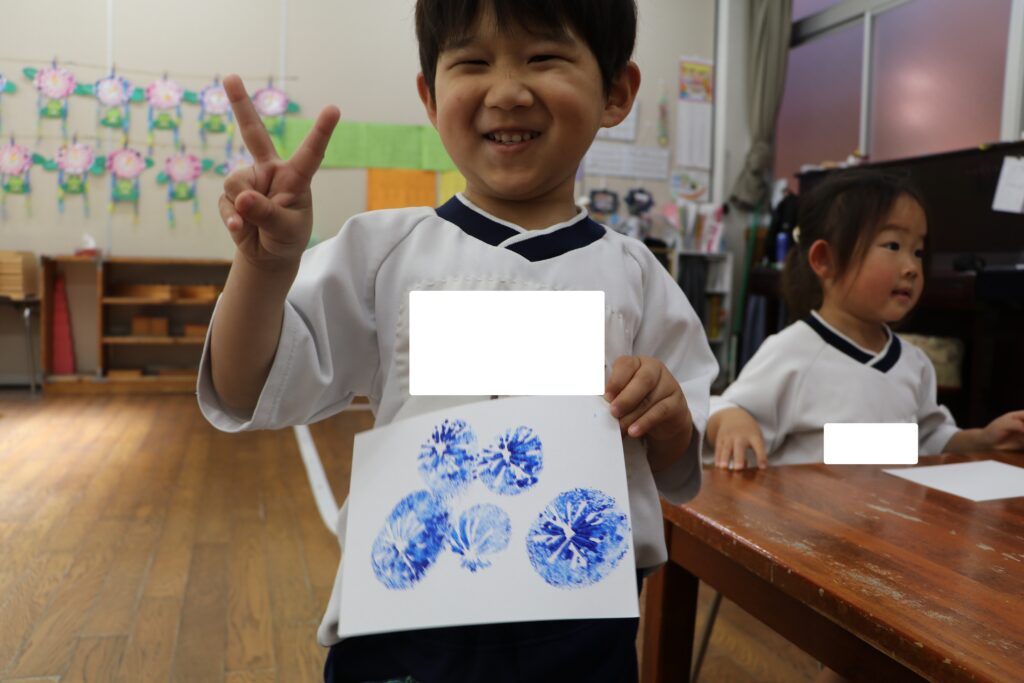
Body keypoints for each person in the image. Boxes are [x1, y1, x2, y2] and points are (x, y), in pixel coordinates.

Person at [198, 1, 719, 681]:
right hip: (402, 620)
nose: (507, 91)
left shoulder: (638, 276)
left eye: (544, 57)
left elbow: (679, 460)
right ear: (430, 95)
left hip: (580, 627)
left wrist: (668, 415)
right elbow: (243, 387)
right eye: (472, 62)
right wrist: (264, 270)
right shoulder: (383, 252)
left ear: (616, 92)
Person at [706, 169, 1024, 471]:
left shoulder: (914, 364)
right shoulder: (792, 353)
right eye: (893, 246)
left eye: (918, 251)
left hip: (891, 508)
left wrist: (983, 440)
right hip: (807, 510)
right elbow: (722, 409)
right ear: (825, 260)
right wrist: (730, 419)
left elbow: (926, 440)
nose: (912, 267)